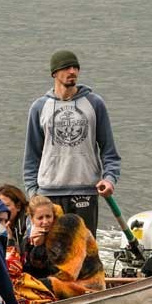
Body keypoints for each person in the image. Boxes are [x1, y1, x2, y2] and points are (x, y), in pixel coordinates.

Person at [23, 49, 121, 237]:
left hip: (85, 190)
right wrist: (33, 193)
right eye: (67, 67)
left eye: (75, 67)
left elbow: (109, 151)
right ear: (54, 73)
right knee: (52, 253)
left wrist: (109, 179)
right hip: (48, 193)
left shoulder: (94, 103)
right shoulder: (39, 107)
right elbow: (31, 155)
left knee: (83, 253)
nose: (72, 71)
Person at [0, 184, 29, 250]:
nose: (1, 209)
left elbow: (23, 256)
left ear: (18, 206)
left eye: (6, 205)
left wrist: (10, 238)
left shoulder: (29, 223)